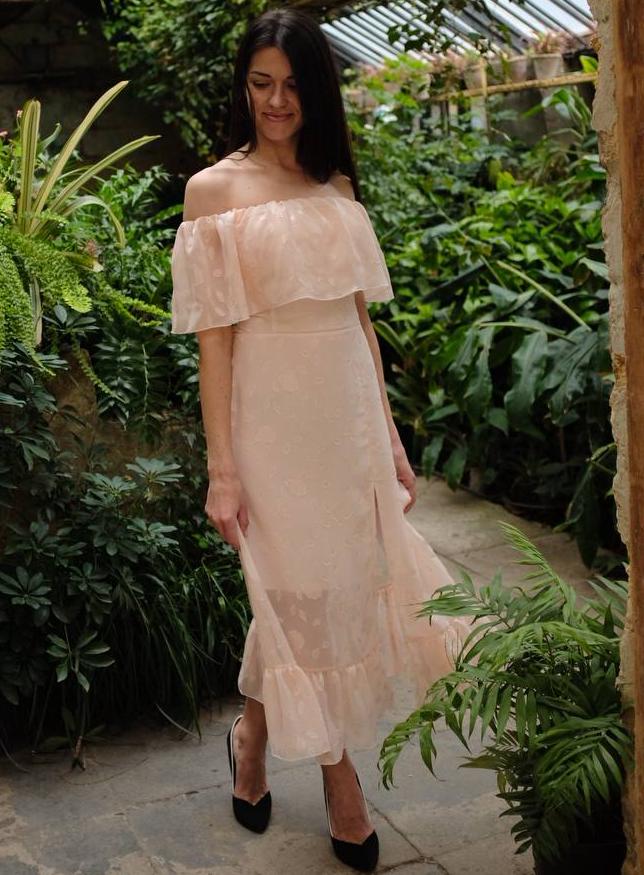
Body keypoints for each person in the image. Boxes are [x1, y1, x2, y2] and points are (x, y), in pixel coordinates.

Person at [170, 8, 468, 872]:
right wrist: (222, 469)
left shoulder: (335, 184)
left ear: (318, 91)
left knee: (318, 597)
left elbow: (359, 324)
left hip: (346, 424)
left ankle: (251, 738)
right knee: (295, 594)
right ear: (242, 89)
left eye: (293, 85)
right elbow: (215, 342)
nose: (276, 101)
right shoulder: (212, 192)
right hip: (270, 428)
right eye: (260, 83)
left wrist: (392, 440)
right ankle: (344, 784)